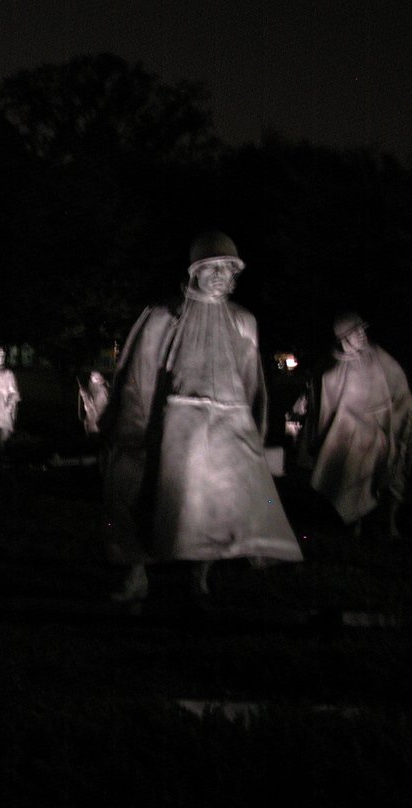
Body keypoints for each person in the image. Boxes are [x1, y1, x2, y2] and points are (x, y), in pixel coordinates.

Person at [100, 232, 302, 607]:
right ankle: (137, 575)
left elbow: (250, 379)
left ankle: (201, 574)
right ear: (195, 271)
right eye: (212, 267)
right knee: (145, 494)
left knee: (217, 504)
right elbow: (140, 375)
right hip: (174, 425)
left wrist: (253, 429)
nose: (221, 275)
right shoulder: (164, 315)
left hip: (227, 424)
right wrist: (134, 425)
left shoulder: (243, 321)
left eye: (228, 269)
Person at [310, 312, 412, 536]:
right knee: (352, 478)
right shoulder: (333, 370)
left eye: (362, 330)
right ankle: (354, 522)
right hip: (351, 437)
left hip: (381, 431)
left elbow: (399, 388)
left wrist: (397, 415)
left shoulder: (377, 356)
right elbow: (327, 409)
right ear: (344, 338)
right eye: (355, 331)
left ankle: (388, 521)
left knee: (387, 475)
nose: (362, 334)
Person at [78, 370, 110, 435]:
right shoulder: (91, 417)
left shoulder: (88, 416)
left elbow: (87, 399)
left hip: (100, 385)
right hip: (99, 384)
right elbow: (87, 399)